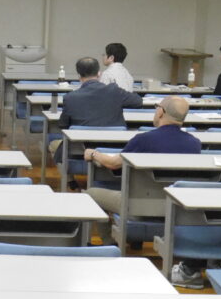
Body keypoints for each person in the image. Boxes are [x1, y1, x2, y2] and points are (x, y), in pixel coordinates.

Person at [84, 96, 203, 284]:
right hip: (177, 208)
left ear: (161, 112)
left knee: (91, 194)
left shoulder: (143, 140)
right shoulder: (194, 143)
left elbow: (113, 164)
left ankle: (109, 245)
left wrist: (93, 154)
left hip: (137, 206)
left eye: (157, 107)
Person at [57, 57, 144, 129]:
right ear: (99, 74)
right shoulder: (114, 91)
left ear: (79, 76)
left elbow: (63, 125)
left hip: (81, 143)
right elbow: (138, 102)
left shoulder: (70, 98)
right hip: (113, 142)